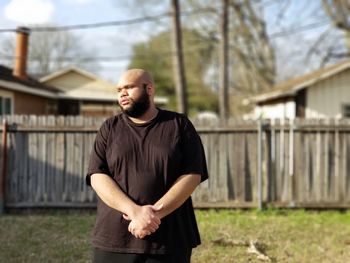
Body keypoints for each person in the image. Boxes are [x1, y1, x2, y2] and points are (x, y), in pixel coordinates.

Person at [86, 69, 208, 263]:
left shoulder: (179, 125)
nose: (122, 94)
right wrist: (134, 211)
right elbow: (97, 175)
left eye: (129, 87)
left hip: (169, 237)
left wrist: (153, 216)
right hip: (115, 237)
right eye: (119, 90)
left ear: (149, 89)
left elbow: (192, 174)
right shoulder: (109, 128)